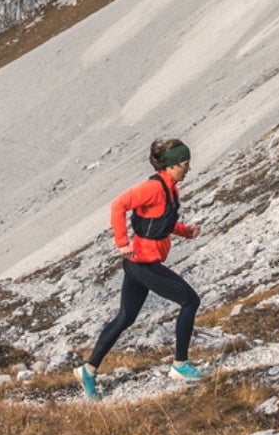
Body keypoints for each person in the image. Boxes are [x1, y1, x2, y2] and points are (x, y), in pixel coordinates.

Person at [74, 138, 203, 398]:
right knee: (190, 300)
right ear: (171, 165)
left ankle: (88, 370)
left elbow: (159, 221)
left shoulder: (171, 189)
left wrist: (185, 232)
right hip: (143, 263)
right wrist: (122, 243)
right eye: (185, 164)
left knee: (125, 318)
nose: (188, 169)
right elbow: (118, 205)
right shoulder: (153, 188)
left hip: (139, 263)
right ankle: (180, 365)